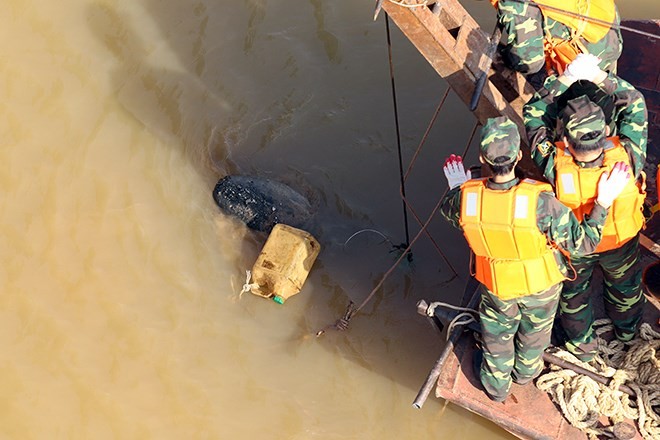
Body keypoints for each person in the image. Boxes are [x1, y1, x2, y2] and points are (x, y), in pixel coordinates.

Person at [440, 116, 630, 402]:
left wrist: (459, 186)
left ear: (482, 158)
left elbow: (450, 212)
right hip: (540, 285)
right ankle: (525, 373)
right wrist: (602, 202)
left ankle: (496, 387)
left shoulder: (466, 199)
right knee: (535, 335)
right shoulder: (541, 202)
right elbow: (584, 243)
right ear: (518, 157)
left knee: (496, 338)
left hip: (497, 285)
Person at [523, 56, 649, 362]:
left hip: (576, 246)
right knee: (625, 289)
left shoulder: (553, 163)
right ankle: (628, 334)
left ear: (565, 138)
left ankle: (583, 345)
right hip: (620, 243)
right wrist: (598, 75)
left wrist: (565, 79)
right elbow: (634, 102)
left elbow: (533, 113)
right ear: (606, 129)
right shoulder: (629, 158)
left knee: (574, 296)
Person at [491, 0, 622, 80]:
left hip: (584, 61)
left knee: (580, 115)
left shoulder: (514, 3)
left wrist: (505, 55)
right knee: (607, 99)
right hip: (611, 32)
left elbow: (529, 62)